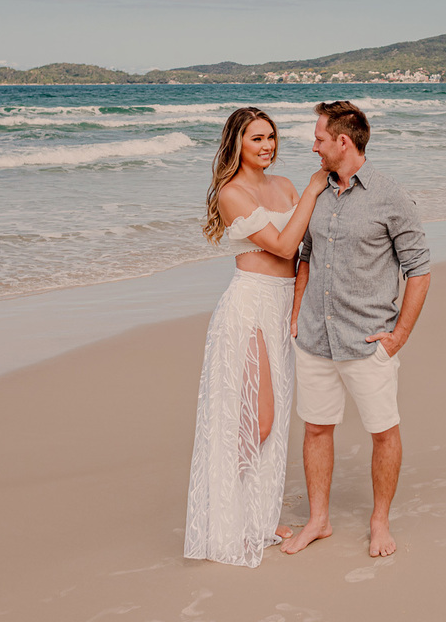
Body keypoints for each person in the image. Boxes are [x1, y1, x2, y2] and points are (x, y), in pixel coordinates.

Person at [281, 101, 431, 558]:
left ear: (342, 142)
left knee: (383, 431)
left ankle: (379, 522)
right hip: (314, 337)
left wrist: (399, 335)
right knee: (315, 430)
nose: (314, 147)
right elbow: (303, 254)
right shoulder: (317, 194)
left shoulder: (390, 196)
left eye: (320, 139)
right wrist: (296, 311)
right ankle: (319, 520)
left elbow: (419, 268)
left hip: (367, 342)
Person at [184, 107, 328, 568]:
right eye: (256, 140)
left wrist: (301, 300)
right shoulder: (232, 192)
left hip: (283, 304)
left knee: (274, 417)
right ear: (236, 145)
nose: (267, 146)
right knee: (257, 418)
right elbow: (284, 245)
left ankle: (258, 517)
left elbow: (305, 251)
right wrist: (313, 188)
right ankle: (232, 519)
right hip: (248, 308)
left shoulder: (283, 185)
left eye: (270, 137)